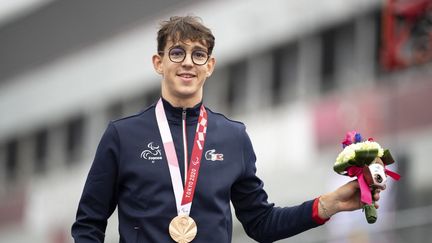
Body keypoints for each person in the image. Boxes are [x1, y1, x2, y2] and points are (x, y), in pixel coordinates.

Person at [71, 15, 383, 243]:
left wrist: (329, 205)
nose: (187, 63)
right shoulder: (123, 136)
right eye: (176, 52)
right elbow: (88, 224)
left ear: (210, 65)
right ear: (158, 62)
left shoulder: (232, 137)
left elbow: (261, 222)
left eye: (198, 54)